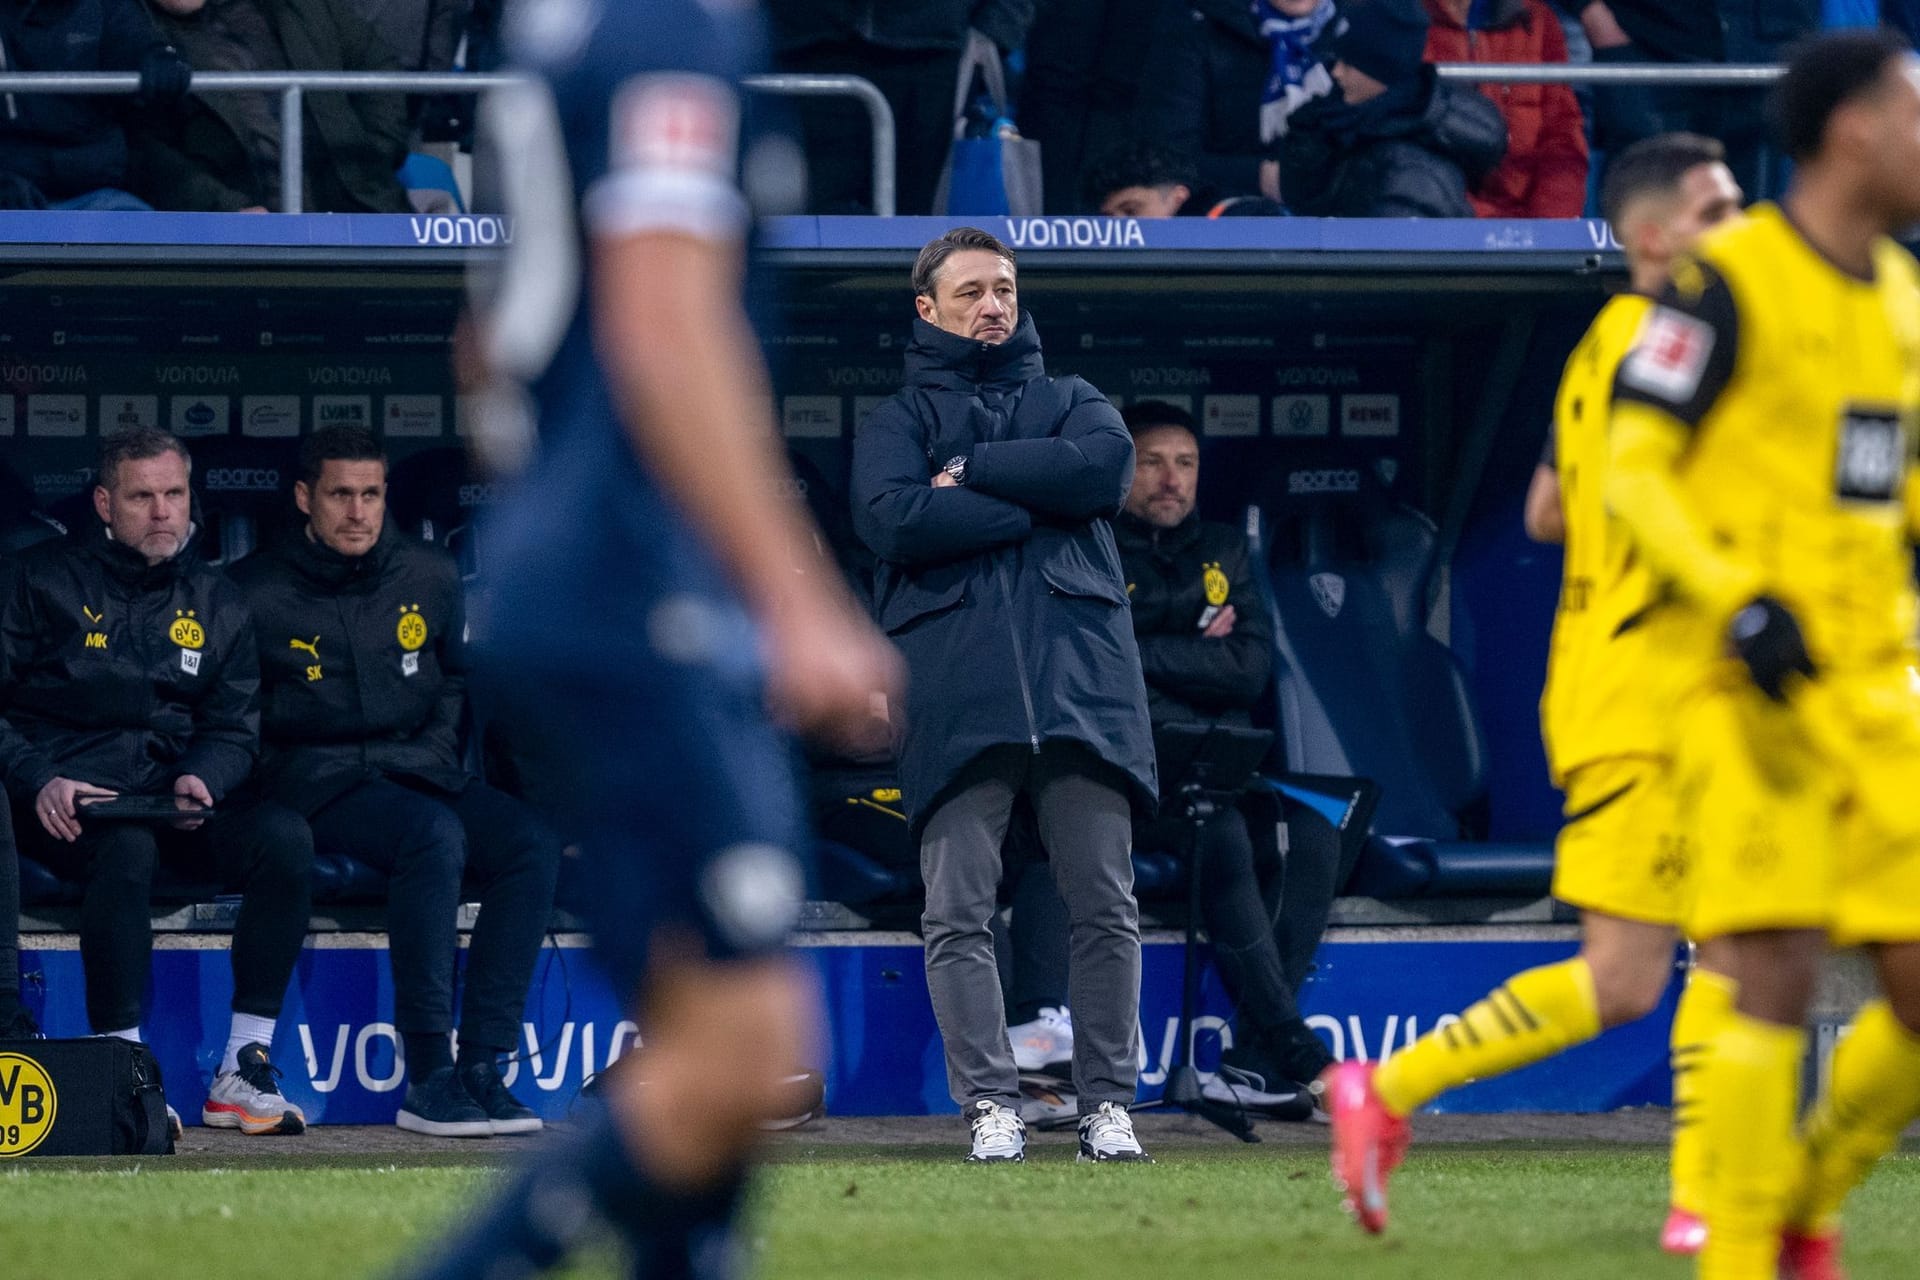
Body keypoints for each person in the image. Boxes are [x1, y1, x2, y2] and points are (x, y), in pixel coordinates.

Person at [393, 0, 900, 1271]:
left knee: (697, 1042)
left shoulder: (563, 38)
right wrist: (796, 599)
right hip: (637, 591)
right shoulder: (669, 30)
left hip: (573, 574)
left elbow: (485, 348)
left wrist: (541, 502)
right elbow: (666, 322)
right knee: (747, 1049)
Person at [1322, 131, 1745, 1243]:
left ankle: (1703, 1196)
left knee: (1687, 959)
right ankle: (1399, 1091)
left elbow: (1552, 509)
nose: (1739, 226)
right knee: (1655, 967)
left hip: (1665, 683)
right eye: (1716, 211)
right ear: (1650, 235)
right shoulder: (1658, 340)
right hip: (1646, 689)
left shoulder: (1617, 347)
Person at [1602, 32, 1920, 1279]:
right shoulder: (1726, 282)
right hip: (1749, 686)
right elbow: (1632, 464)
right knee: (1774, 971)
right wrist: (1737, 598)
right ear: (1854, 127)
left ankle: (1804, 1195)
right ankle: (1744, 1256)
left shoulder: (1903, 298)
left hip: (1881, 686)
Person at [851, 226, 1157, 1164]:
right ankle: (992, 1102)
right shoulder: (898, 418)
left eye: (1007, 288)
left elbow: (1103, 470)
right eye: (974, 291)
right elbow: (892, 520)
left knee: (1105, 903)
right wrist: (1039, 495)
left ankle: (1107, 1102)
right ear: (928, 308)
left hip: (1082, 688)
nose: (994, 305)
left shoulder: (1073, 398)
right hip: (956, 690)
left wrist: (975, 473)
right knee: (957, 912)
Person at [230, 425, 559, 1139]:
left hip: (418, 767)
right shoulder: (253, 590)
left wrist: (435, 751)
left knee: (529, 841)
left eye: (371, 494)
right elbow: (237, 716)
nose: (357, 512)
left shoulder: (428, 572)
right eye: (340, 494)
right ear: (303, 498)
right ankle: (429, 1073)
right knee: (430, 835)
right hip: (313, 780)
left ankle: (483, 1066)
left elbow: (452, 683)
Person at [0, 428, 312, 1135]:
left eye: (175, 494)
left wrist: (204, 776)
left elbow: (236, 728)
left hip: (173, 804)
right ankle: (123, 1073)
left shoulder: (216, 598)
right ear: (106, 502)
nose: (163, 512)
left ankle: (242, 1065)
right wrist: (39, 778)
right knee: (127, 849)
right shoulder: (37, 578)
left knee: (283, 839)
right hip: (70, 812)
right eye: (143, 497)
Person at [1117, 400, 1332, 1112]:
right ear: (1122, 467)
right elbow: (1098, 663)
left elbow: (1249, 669)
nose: (1171, 479)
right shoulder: (1095, 546)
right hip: (1135, 776)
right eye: (1152, 462)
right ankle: (1292, 1048)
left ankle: (1250, 1064)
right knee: (1227, 832)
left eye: (1185, 463)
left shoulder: (1224, 549)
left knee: (1319, 828)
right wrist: (1195, 649)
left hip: (1224, 760)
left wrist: (1149, 653)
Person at [132, 0, 412, 213]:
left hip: (359, 208)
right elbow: (144, 151)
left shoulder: (298, 8)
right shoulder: (133, 37)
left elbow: (379, 70)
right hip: (237, 238)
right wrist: (224, 209)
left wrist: (366, 157)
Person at [764, 1, 1036, 214]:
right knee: (808, 224)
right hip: (810, 45)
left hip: (933, 51)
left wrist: (996, 26)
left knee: (917, 234)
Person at [1554, 0, 1818, 199]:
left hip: (1762, 54)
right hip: (1647, 47)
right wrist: (1596, 17)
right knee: (1651, 210)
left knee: (1751, 228)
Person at [1274, 0, 1507, 217]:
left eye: (1348, 63)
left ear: (1381, 71)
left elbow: (1400, 256)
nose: (1336, 72)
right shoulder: (1345, 124)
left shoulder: (1406, 172)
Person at [0, 0, 191, 210]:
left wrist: (158, 58)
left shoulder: (102, 7)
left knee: (137, 225)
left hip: (91, 191)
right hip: (11, 194)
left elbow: (134, 41)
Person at [1146, 0, 1334, 212]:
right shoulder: (1195, 25)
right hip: (1226, 222)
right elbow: (1164, 155)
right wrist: (1259, 176)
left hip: (1345, 221)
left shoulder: (1361, 25)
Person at [1422, 0, 1589, 218]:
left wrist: (1548, 227)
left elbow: (1563, 138)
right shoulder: (1402, 20)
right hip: (1439, 225)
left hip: (1532, 227)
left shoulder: (1537, 19)